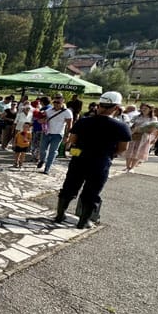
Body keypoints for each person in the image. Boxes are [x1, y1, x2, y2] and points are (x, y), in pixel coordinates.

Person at [54, 91, 131, 228]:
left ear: (99, 105)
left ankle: (60, 215)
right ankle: (83, 221)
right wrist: (110, 154)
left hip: (80, 158)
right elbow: (123, 148)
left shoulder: (84, 121)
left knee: (69, 187)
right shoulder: (121, 127)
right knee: (92, 192)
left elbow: (72, 140)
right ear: (116, 107)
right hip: (101, 161)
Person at [37, 94, 73, 174]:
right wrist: (41, 120)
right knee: (42, 150)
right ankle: (42, 160)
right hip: (47, 133)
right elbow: (41, 120)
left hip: (58, 134)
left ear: (62, 101)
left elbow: (69, 125)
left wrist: (67, 136)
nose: (56, 104)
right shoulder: (49, 110)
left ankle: (47, 168)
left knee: (53, 152)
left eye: (58, 102)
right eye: (55, 102)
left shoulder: (67, 112)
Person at [124, 103, 157, 171]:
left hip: (144, 137)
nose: (143, 110)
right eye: (143, 108)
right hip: (134, 135)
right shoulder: (137, 116)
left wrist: (141, 129)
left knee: (139, 151)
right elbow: (130, 124)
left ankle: (132, 167)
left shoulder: (153, 118)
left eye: (145, 108)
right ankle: (127, 166)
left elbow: (152, 129)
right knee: (130, 150)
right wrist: (133, 128)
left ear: (150, 110)